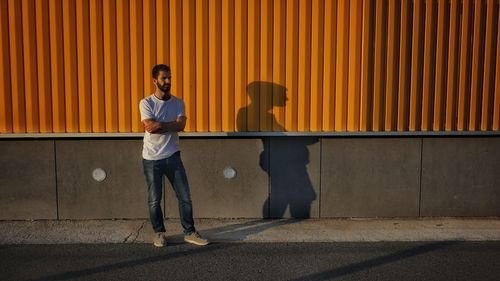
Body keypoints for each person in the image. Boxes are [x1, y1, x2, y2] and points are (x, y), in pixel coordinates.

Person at [140, 64, 209, 247]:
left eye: (169, 77)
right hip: (151, 158)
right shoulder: (146, 103)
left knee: (185, 196)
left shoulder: (178, 103)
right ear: (155, 80)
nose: (168, 81)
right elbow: (150, 128)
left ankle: (189, 232)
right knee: (154, 199)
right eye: (164, 78)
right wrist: (171, 124)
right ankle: (159, 233)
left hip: (173, 156)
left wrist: (161, 125)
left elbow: (180, 126)